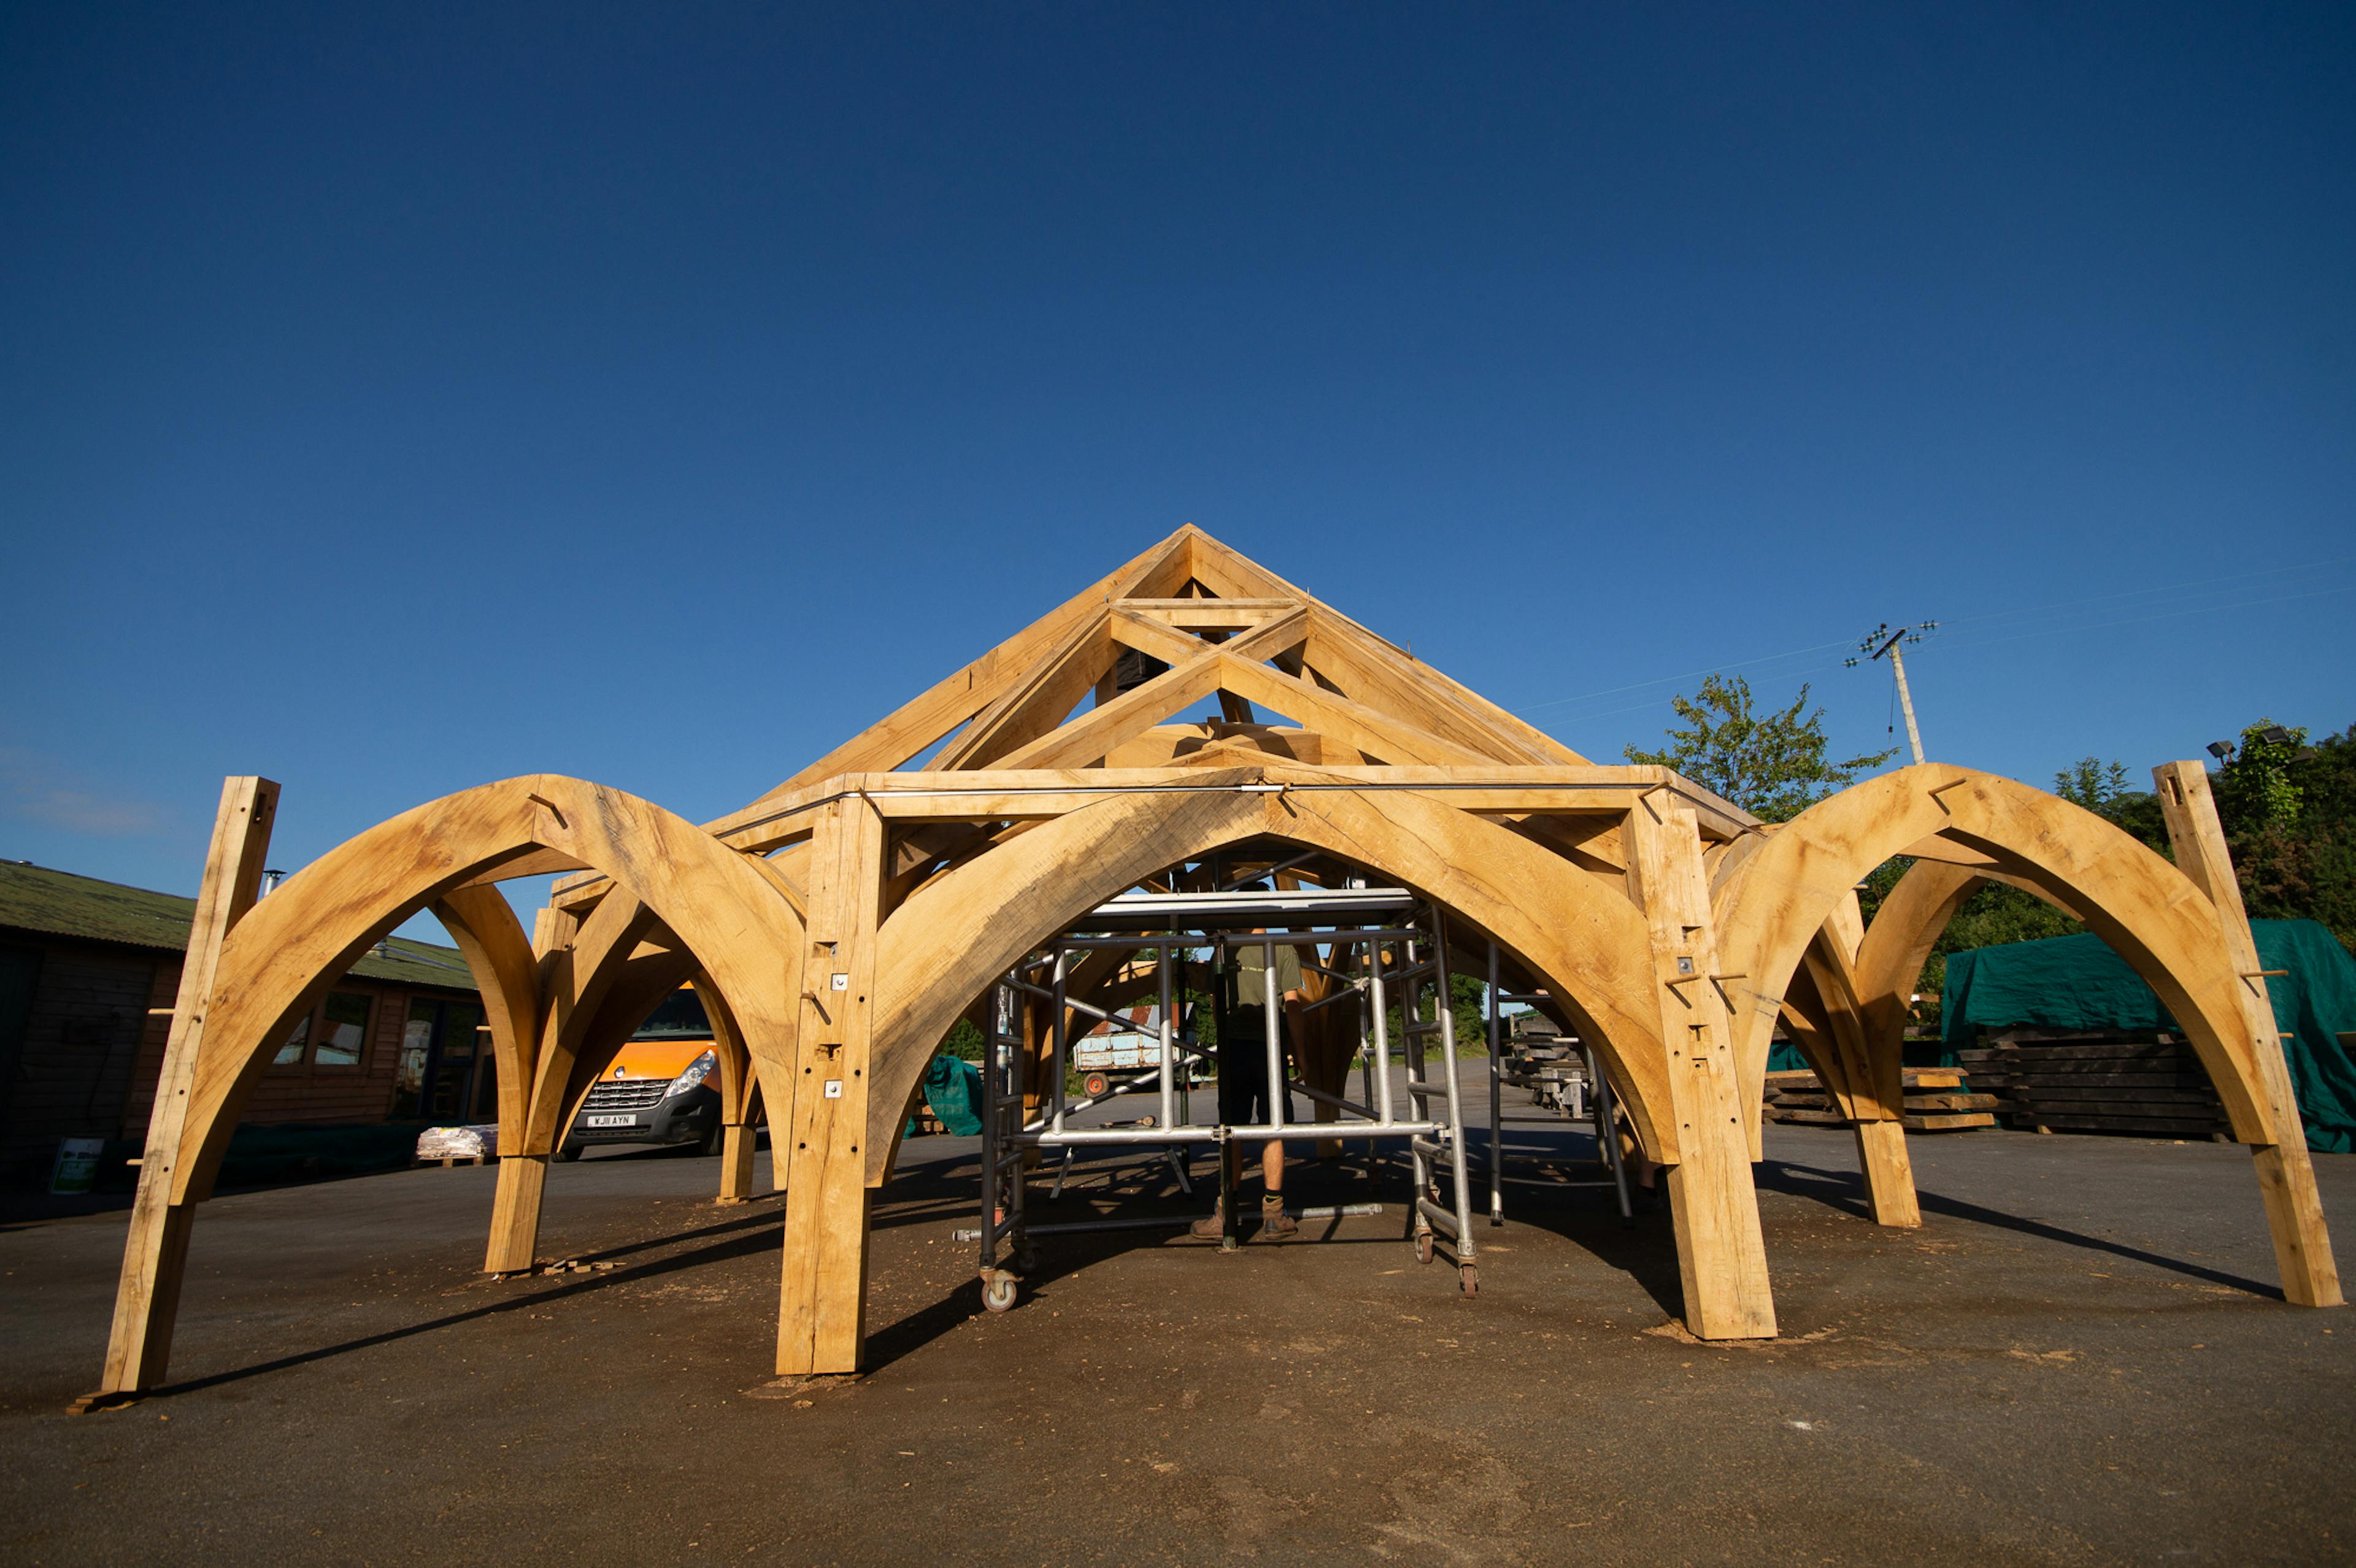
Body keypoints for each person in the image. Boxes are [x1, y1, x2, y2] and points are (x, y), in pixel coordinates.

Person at [1192, 889, 1305, 1242]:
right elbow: (1293, 1006)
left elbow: (1216, 1003)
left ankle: (1225, 1213)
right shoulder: (1281, 948)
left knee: (1230, 1131)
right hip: (1270, 1049)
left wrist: (1224, 1044)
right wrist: (1302, 1055)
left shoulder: (1225, 948)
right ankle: (1273, 1213)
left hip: (1236, 1050)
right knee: (1274, 1128)